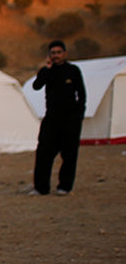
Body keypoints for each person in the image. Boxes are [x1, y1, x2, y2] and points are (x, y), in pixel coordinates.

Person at [30, 39, 86, 196]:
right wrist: (47, 69)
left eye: (59, 53)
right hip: (51, 118)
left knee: (69, 154)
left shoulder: (73, 70)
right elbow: (36, 86)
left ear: (65, 54)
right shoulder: (47, 71)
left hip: (70, 119)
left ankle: (65, 186)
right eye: (53, 53)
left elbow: (81, 94)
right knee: (43, 153)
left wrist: (79, 115)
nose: (56, 56)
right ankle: (41, 188)